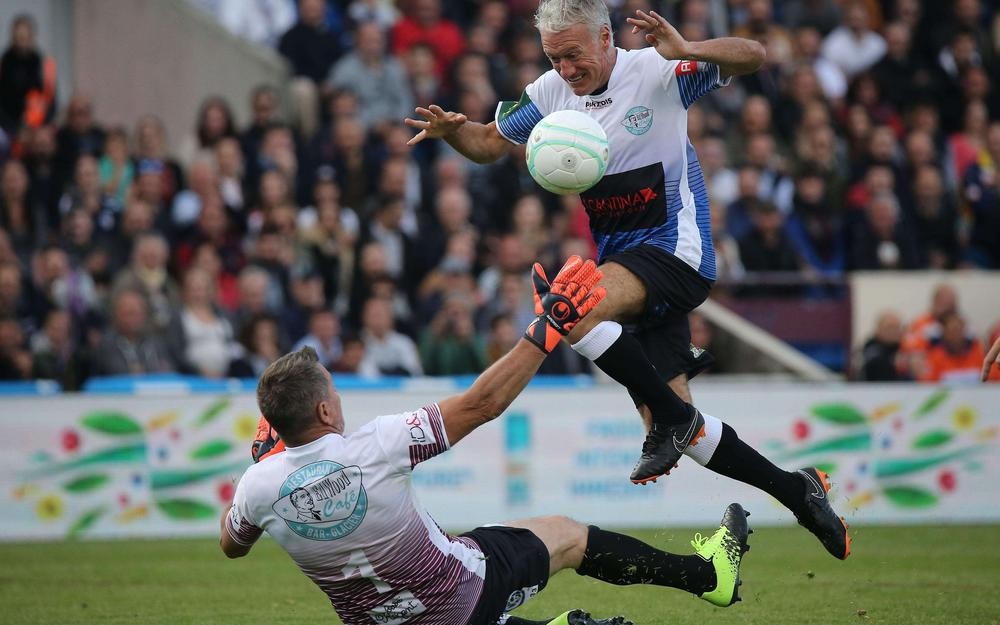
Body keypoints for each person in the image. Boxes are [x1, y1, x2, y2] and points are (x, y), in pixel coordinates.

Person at [403, 0, 849, 560]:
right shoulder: (548, 95)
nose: (565, 68)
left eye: (573, 54)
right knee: (686, 430)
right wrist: (453, 132)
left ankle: (668, 419)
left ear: (606, 37)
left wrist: (687, 49)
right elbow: (490, 145)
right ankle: (796, 491)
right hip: (629, 270)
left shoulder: (657, 72)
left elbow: (753, 57)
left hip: (677, 253)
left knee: (574, 307)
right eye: (554, 57)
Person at [224, 256, 750, 625]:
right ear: (322, 409)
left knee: (485, 546)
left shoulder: (258, 487)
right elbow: (481, 404)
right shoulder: (376, 446)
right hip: (461, 595)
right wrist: (549, 326)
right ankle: (708, 577)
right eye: (333, 394)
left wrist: (271, 464)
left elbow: (232, 545)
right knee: (567, 535)